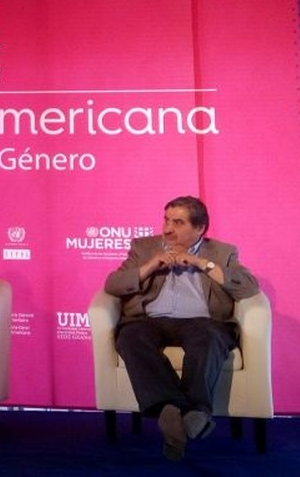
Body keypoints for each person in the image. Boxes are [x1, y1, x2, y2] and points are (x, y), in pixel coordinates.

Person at [104, 195, 259, 461]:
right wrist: (150, 266)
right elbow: (113, 284)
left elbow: (248, 287)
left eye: (178, 223)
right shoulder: (144, 247)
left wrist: (201, 263)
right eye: (166, 220)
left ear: (199, 228)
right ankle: (188, 413)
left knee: (209, 339)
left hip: (202, 322)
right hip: (151, 320)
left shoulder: (222, 252)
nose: (167, 229)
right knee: (130, 337)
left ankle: (174, 415)